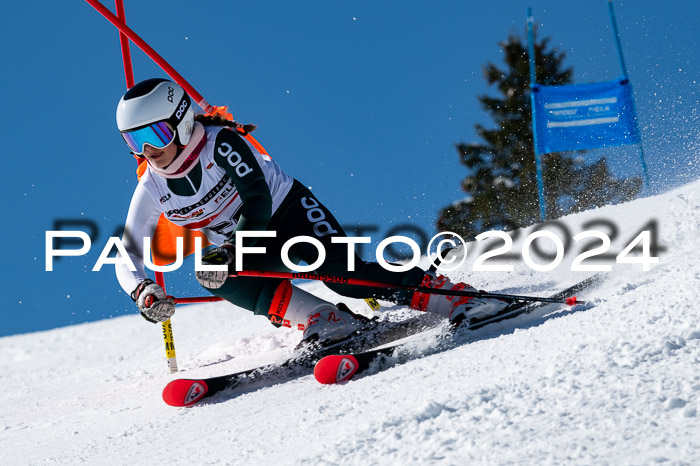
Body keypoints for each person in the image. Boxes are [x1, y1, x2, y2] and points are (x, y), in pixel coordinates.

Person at [114, 78, 510, 346]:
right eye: (134, 141)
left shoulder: (219, 143)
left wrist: (232, 250)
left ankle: (453, 298)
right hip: (247, 243)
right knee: (217, 278)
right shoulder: (151, 186)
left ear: (182, 123)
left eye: (156, 135)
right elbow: (127, 251)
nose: (148, 151)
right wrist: (142, 291)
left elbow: (257, 200)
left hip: (288, 212)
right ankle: (326, 320)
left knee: (345, 277)